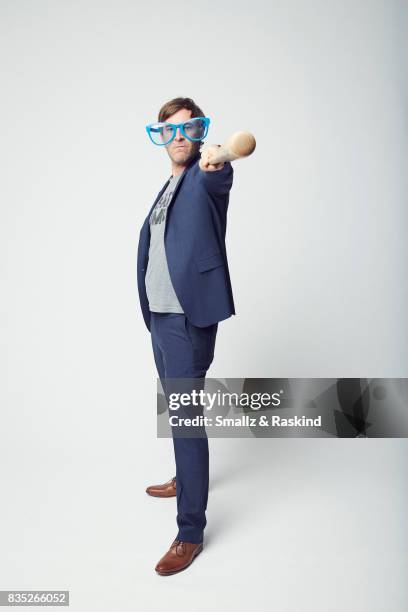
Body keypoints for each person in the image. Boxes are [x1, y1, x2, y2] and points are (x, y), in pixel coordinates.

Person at [137, 97, 235, 575]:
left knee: (186, 418)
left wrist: (218, 160)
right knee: (179, 412)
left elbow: (220, 175)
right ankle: (186, 477)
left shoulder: (204, 176)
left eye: (187, 128)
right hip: (159, 318)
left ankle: (189, 532)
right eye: (169, 129)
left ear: (198, 133)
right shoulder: (168, 186)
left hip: (186, 319)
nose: (179, 135)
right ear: (160, 137)